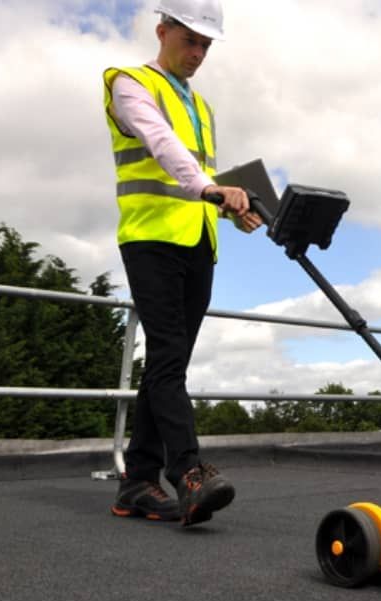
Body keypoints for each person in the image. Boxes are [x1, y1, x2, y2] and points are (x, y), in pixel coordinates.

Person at [101, 0, 261, 527]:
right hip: (150, 239)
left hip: (199, 242)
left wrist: (232, 209)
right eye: (189, 40)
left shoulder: (203, 107)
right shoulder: (130, 84)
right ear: (161, 30)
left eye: (206, 45)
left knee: (168, 364)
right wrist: (209, 188)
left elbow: (202, 177)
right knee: (169, 355)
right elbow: (161, 144)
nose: (197, 53)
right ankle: (189, 473)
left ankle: (137, 483)